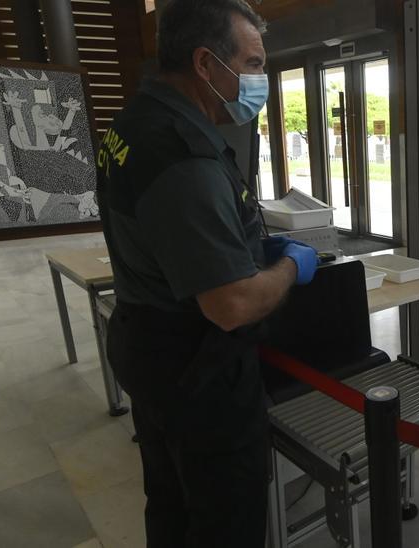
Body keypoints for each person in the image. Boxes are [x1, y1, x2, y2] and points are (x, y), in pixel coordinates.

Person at [96, 1, 318, 545]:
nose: (259, 79)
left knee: (171, 505)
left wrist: (240, 243)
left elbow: (171, 235)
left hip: (148, 347)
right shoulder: (183, 154)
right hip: (199, 374)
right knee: (225, 521)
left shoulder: (135, 120)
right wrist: (292, 265)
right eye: (253, 62)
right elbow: (231, 304)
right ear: (205, 63)